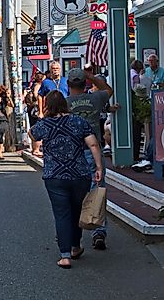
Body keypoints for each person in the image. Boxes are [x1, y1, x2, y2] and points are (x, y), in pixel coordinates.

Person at [29, 91, 103, 269]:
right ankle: (76, 247)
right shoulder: (78, 121)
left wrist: (45, 121)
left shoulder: (45, 124)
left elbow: (32, 135)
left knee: (62, 213)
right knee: (77, 211)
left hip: (54, 175)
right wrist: (99, 167)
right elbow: (93, 144)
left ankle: (65, 255)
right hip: (79, 174)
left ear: (48, 105)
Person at [66, 67, 113, 250]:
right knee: (97, 189)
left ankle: (72, 231)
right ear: (85, 83)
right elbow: (108, 90)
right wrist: (92, 76)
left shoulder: (65, 102)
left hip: (73, 152)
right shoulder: (95, 99)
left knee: (72, 191)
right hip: (93, 150)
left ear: (69, 84)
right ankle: (98, 230)